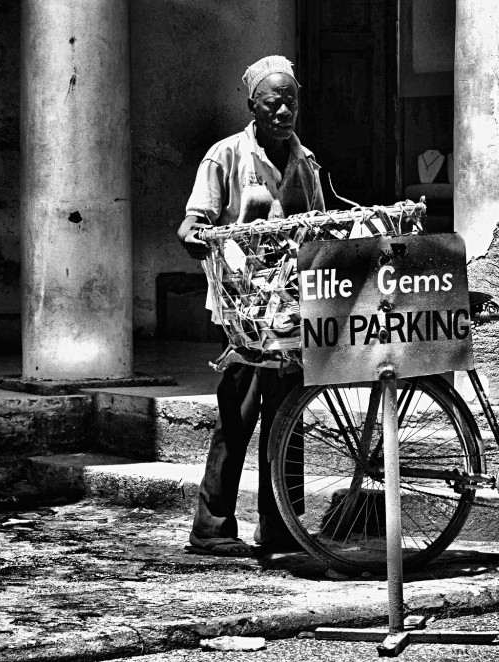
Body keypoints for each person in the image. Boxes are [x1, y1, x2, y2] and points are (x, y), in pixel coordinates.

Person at [177, 55, 326, 556]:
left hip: (291, 311)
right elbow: (191, 230)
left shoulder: (306, 163)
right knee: (238, 415)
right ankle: (212, 527)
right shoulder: (225, 157)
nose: (284, 110)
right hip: (242, 313)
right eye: (273, 101)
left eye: (291, 101)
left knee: (290, 415)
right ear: (252, 106)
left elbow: (322, 231)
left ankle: (282, 525)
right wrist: (231, 241)